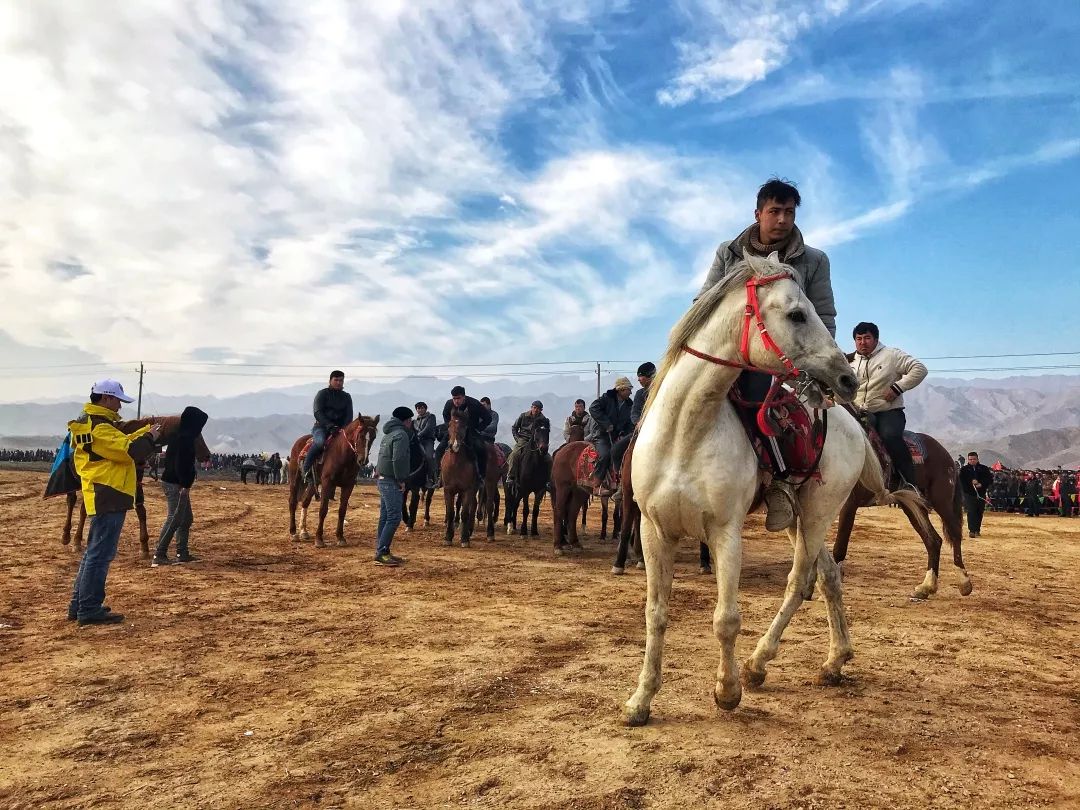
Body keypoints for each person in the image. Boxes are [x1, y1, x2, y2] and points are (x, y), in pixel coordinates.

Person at [697, 178, 836, 531]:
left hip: (778, 360)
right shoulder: (728, 252)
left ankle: (779, 483)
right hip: (726, 351)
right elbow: (702, 304)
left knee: (762, 403)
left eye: (789, 212)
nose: (783, 219)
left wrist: (818, 365)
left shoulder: (814, 261)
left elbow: (823, 316)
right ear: (758, 213)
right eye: (774, 211)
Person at [67, 380, 160, 625]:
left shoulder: (95, 423)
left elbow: (121, 442)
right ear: (106, 398)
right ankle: (88, 608)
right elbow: (129, 451)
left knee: (92, 553)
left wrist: (146, 433)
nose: (120, 405)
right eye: (118, 400)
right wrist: (150, 438)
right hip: (108, 491)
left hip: (104, 491)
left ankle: (79, 605)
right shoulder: (99, 428)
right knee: (100, 554)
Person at [850, 322, 928, 491]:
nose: (863, 342)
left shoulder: (891, 355)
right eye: (859, 339)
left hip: (888, 411)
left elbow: (920, 369)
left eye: (867, 338)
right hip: (859, 411)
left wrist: (897, 388)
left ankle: (908, 482)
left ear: (876, 339)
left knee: (890, 436)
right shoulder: (850, 361)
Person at [152, 406, 209, 566]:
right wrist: (184, 485)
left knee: (186, 519)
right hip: (175, 484)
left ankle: (182, 552)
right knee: (174, 519)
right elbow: (180, 465)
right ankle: (159, 554)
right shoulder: (183, 439)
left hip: (177, 483)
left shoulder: (184, 437)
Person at [374, 406, 413, 566]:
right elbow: (398, 459)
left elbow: (382, 455)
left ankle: (382, 550)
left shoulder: (388, 434)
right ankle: (382, 553)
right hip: (391, 480)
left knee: (385, 516)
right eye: (411, 421)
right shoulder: (401, 435)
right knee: (394, 516)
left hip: (382, 479)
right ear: (407, 421)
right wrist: (400, 479)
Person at [301, 370, 354, 481]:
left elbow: (349, 416)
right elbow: (317, 412)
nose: (339, 382)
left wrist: (344, 428)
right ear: (330, 380)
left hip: (340, 430)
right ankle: (306, 470)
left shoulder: (347, 397)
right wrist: (330, 426)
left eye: (341, 380)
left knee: (353, 447)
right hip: (322, 427)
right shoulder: (322, 394)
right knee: (320, 442)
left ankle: (350, 476)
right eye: (336, 380)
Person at [587, 377, 634, 495]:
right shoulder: (607, 398)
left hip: (617, 436)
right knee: (605, 454)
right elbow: (593, 408)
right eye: (629, 389)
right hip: (602, 434)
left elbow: (629, 422)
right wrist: (606, 424)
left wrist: (624, 433)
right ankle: (596, 485)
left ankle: (621, 484)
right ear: (621, 389)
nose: (631, 392)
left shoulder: (629, 404)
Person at [435, 385, 492, 480]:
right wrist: (451, 427)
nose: (456, 401)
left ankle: (481, 476)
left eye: (458, 398)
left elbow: (488, 418)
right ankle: (437, 477)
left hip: (471, 432)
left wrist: (478, 428)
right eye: (454, 398)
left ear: (464, 397)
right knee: (439, 450)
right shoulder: (449, 404)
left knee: (481, 449)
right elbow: (445, 415)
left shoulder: (474, 404)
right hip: (453, 432)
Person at [506, 401, 550, 483]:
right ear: (531, 407)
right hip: (523, 439)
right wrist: (518, 439)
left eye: (538, 408)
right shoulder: (523, 416)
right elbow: (514, 428)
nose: (536, 410)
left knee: (549, 459)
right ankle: (510, 476)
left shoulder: (543, 419)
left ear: (541, 410)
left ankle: (548, 481)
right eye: (534, 407)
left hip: (536, 442)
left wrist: (542, 442)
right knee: (514, 455)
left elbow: (545, 432)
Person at [958, 451, 993, 538]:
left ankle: (977, 529)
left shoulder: (984, 468)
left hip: (981, 493)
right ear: (968, 460)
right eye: (970, 459)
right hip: (969, 494)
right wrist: (971, 483)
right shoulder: (964, 470)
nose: (972, 461)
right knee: (971, 511)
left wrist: (981, 484)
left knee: (979, 511)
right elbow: (961, 482)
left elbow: (989, 479)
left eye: (974, 459)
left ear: (977, 459)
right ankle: (972, 530)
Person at [413, 402, 437, 488]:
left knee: (429, 457)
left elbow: (428, 428)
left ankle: (430, 478)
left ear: (425, 409)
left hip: (428, 441)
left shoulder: (431, 417)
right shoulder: (414, 421)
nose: (420, 409)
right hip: (417, 441)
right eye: (418, 408)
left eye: (422, 408)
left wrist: (418, 435)